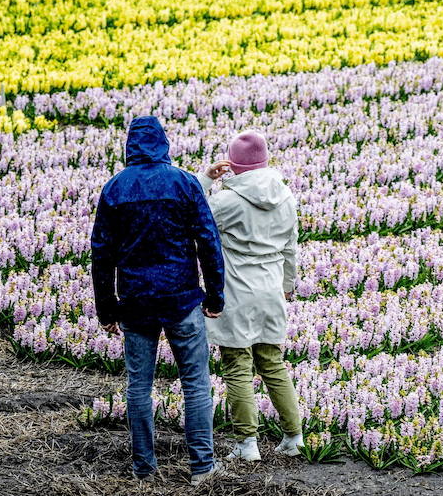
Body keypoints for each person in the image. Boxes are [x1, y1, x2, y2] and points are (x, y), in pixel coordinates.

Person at [90, 116, 227, 485]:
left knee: (139, 386)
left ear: (130, 146)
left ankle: (144, 469)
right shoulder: (183, 182)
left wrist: (107, 308)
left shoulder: (115, 188)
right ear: (164, 144)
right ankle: (202, 467)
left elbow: (101, 254)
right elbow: (208, 241)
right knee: (196, 383)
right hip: (181, 297)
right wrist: (215, 295)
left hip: (135, 300)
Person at [197, 130, 303, 461]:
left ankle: (248, 444)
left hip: (237, 291)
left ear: (232, 165)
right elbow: (290, 247)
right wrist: (288, 284)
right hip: (271, 289)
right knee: (273, 362)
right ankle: (294, 437)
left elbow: (195, 221)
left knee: (237, 365)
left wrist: (204, 181)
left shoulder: (226, 201)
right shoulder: (285, 196)